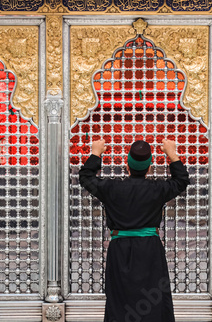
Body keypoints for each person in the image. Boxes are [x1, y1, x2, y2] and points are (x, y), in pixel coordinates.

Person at [79, 138, 190, 322]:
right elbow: (181, 181)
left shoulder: (112, 188)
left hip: (120, 250)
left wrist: (96, 152)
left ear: (127, 166)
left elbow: (85, 177)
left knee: (120, 300)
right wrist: (171, 153)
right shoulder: (158, 189)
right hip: (150, 250)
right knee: (152, 301)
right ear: (149, 167)